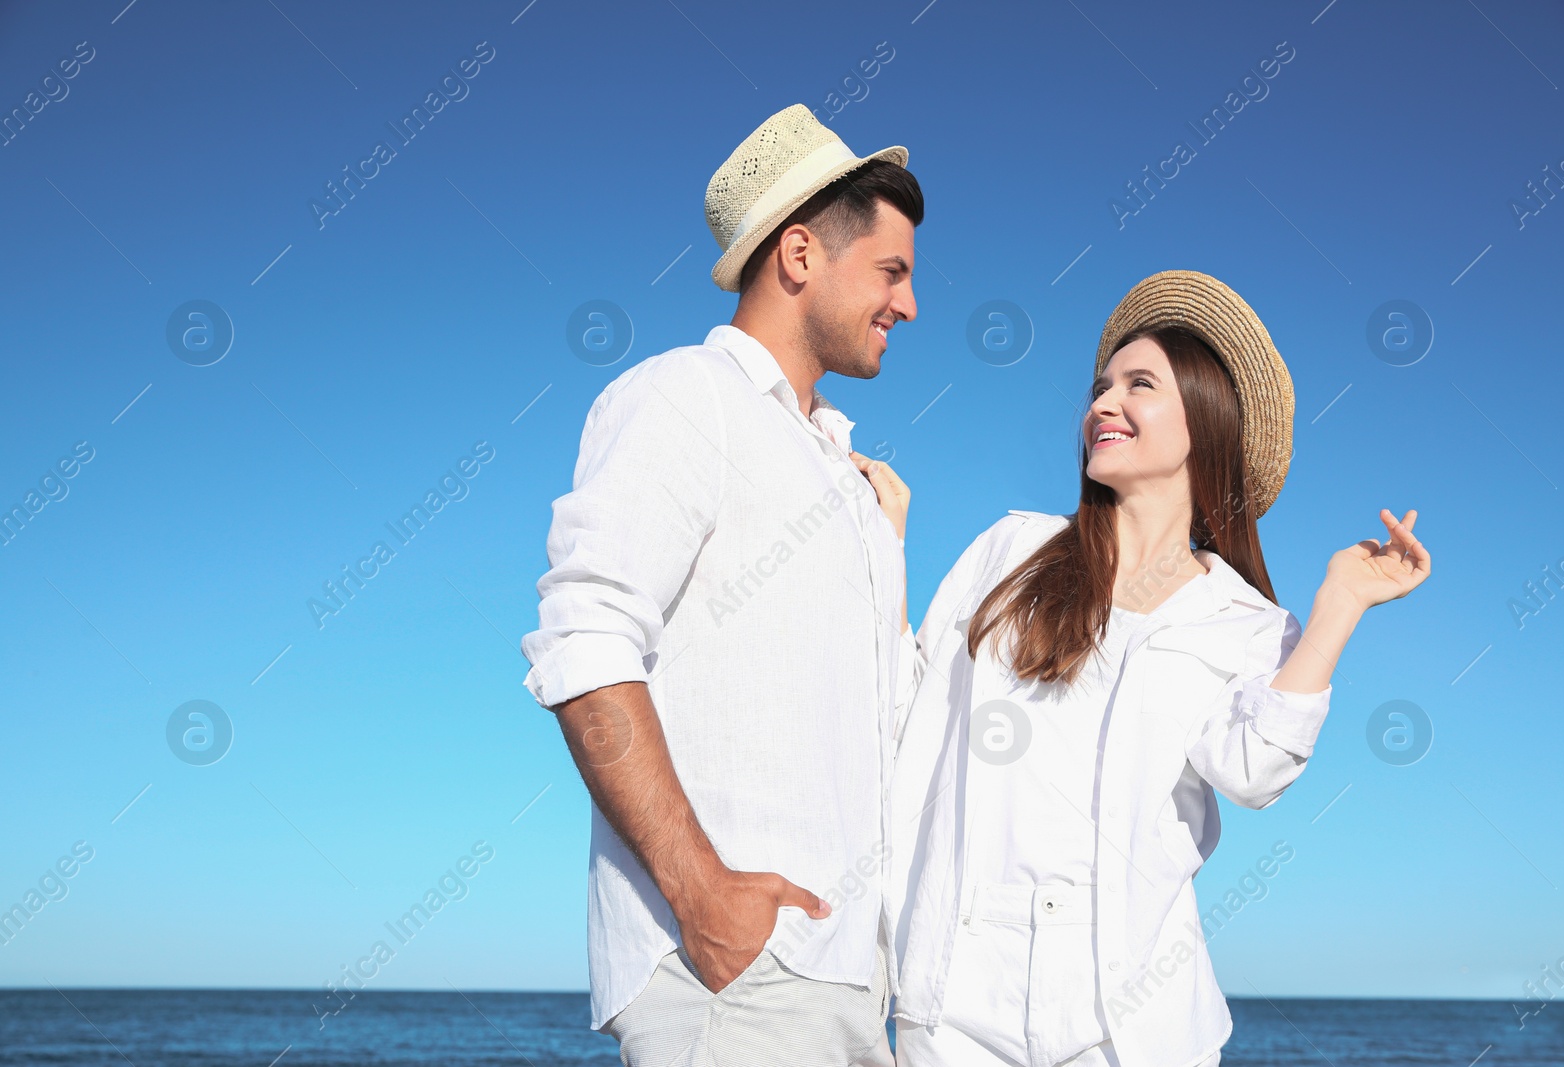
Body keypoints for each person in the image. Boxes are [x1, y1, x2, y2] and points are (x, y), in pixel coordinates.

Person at [865, 270, 1430, 1067]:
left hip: (1132, 1027)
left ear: (1204, 420)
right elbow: (907, 710)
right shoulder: (1010, 549)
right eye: (1101, 386)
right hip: (959, 1003)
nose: (1102, 402)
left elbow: (1256, 769)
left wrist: (1339, 605)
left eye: (1139, 385)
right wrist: (885, 550)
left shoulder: (1246, 622)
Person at [520, 103, 923, 1067]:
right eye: (892, 271)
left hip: (852, 983)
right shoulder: (685, 399)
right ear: (798, 256)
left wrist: (885, 551)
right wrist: (700, 892)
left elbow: (892, 727)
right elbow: (585, 636)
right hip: (739, 982)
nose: (908, 306)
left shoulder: (850, 481)